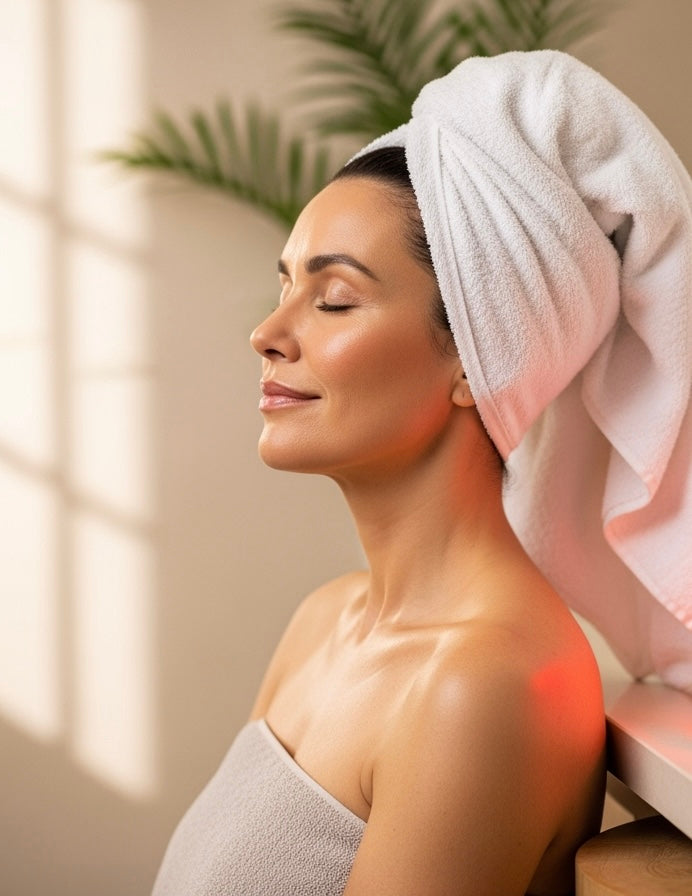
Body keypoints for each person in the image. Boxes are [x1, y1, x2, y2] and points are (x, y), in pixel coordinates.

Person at [152, 50, 692, 896]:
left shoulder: (483, 686)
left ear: (480, 361)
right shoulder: (323, 621)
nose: (268, 330)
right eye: (285, 285)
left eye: (333, 300)